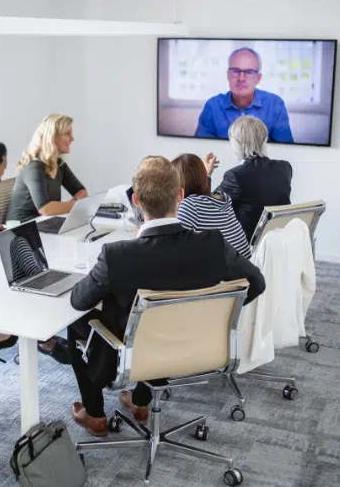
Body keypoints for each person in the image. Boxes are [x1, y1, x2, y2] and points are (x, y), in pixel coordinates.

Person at [66, 156, 265, 437]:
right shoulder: (213, 245)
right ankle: (140, 400)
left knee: (79, 323)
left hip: (136, 357)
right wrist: (219, 317)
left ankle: (95, 414)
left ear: (136, 200)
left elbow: (78, 301)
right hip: (197, 348)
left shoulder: (117, 256)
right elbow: (257, 283)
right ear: (181, 196)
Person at [205, 116, 293, 241]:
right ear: (264, 139)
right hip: (276, 244)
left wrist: (207, 174)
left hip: (244, 250)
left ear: (237, 144)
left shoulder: (236, 176)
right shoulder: (285, 168)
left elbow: (208, 208)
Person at [195, 47, 294, 143]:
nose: (241, 78)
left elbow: (285, 150)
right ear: (228, 75)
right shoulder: (212, 106)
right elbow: (202, 149)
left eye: (249, 72)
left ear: (258, 78)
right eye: (235, 71)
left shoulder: (275, 104)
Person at [7, 114, 88, 223]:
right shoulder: (33, 166)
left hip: (45, 223)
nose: (72, 139)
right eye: (67, 134)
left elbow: (81, 191)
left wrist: (72, 204)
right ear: (52, 137)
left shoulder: (59, 164)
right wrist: (76, 205)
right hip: (23, 229)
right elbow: (45, 209)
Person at [172, 153, 251, 258]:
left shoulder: (190, 205)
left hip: (226, 273)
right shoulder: (223, 199)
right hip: (244, 270)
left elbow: (171, 245)